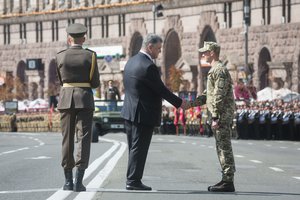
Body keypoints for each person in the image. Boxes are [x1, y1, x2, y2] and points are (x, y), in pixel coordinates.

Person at [121, 33, 188, 191]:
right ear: (149, 47)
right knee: (139, 148)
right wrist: (180, 103)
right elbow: (161, 90)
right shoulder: (148, 65)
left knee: (134, 147)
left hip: (129, 111)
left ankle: (132, 178)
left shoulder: (131, 62)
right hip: (143, 113)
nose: (160, 52)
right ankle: (133, 180)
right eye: (158, 48)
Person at [56, 23, 100, 192]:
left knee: (67, 139)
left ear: (69, 38)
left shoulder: (60, 56)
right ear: (84, 38)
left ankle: (67, 181)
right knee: (83, 138)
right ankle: (78, 181)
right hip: (84, 99)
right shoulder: (91, 56)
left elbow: (61, 81)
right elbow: (95, 82)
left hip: (66, 98)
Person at [189, 41, 236, 192]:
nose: (202, 54)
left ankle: (228, 181)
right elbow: (208, 95)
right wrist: (190, 104)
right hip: (219, 115)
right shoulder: (214, 70)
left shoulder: (220, 70)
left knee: (224, 147)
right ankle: (225, 179)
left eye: (205, 52)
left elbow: (218, 95)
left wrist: (215, 116)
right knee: (221, 147)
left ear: (212, 53)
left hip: (221, 115)